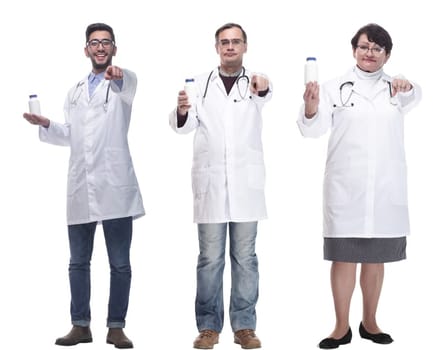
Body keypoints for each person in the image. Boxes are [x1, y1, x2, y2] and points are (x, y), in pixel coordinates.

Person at [298, 23, 421, 349]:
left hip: (384, 189)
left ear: (387, 54)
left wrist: (406, 86)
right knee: (344, 259)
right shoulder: (332, 87)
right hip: (346, 189)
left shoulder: (398, 88)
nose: (370, 53)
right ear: (354, 50)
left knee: (375, 259)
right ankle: (340, 327)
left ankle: (370, 322)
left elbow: (414, 95)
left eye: (377, 48)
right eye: (364, 47)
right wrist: (311, 107)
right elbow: (311, 130)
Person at [22, 22, 142, 350]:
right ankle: (80, 325)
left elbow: (125, 82)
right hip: (81, 187)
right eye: (94, 43)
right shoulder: (74, 91)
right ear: (86, 50)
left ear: (114, 48)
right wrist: (47, 124)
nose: (100, 47)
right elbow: (73, 135)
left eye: (106, 42)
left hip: (115, 186)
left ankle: (116, 327)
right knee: (78, 262)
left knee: (119, 263)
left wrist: (118, 75)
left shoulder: (123, 81)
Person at [170, 22, 271, 350]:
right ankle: (209, 327)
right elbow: (182, 128)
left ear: (245, 46)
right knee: (210, 258)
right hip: (211, 185)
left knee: (246, 258)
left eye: (236, 42)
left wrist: (264, 86)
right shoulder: (198, 84)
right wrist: (182, 111)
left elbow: (267, 92)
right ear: (217, 47)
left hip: (245, 186)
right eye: (224, 42)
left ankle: (244, 326)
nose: (230, 47)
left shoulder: (255, 82)